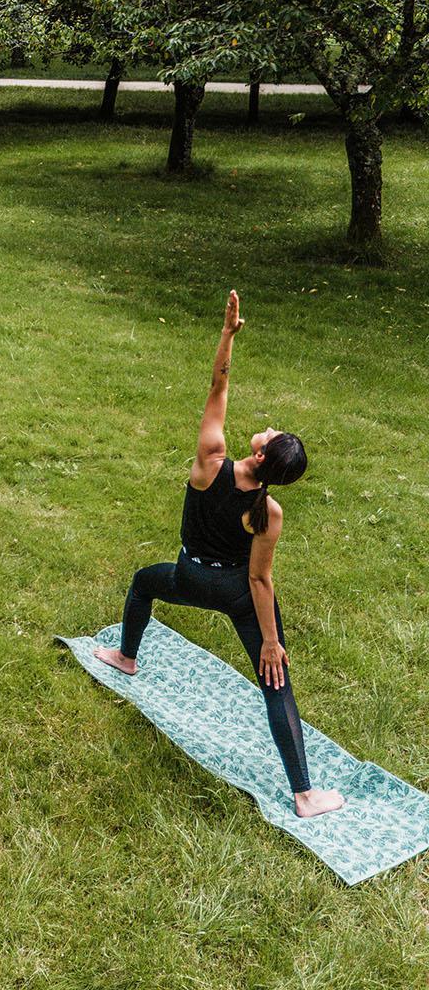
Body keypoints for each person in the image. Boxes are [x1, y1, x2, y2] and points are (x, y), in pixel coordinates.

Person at [94, 291, 343, 819]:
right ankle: (304, 795)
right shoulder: (268, 512)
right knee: (275, 679)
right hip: (235, 592)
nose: (268, 427)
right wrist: (270, 642)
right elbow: (259, 581)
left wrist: (228, 334)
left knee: (143, 582)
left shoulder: (211, 461)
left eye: (271, 434)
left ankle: (126, 656)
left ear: (258, 453)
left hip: (189, 576)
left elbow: (218, 385)